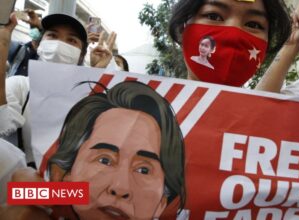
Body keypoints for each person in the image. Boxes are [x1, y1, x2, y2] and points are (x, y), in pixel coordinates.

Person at [168, 0, 299, 219]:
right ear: (182, 26)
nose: (234, 33)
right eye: (214, 16)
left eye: (254, 24)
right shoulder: (144, 119)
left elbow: (259, 114)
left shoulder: (288, 143)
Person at [2, 81, 186, 220]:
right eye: (104, 160)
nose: (120, 188)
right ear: (63, 175)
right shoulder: (56, 195)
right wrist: (23, 196)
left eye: (143, 170)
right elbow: (24, 191)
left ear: (162, 201)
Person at [0, 13, 116, 167]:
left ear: (81, 56)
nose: (60, 44)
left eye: (71, 40)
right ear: (39, 45)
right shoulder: (20, 86)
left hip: (73, 190)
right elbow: (2, 125)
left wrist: (96, 75)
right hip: (24, 187)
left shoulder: (88, 95)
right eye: (53, 35)